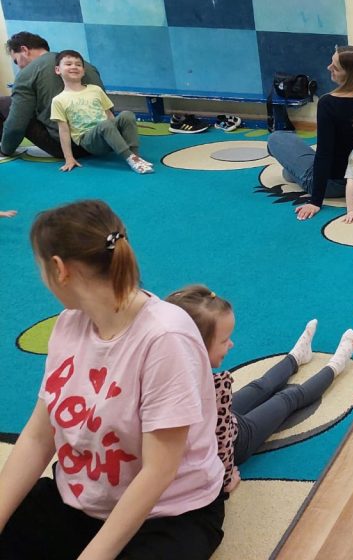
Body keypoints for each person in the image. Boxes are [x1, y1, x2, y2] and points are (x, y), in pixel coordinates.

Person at [0, 200, 225, 559]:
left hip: (167, 513)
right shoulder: (67, 325)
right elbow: (38, 437)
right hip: (82, 499)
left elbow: (158, 472)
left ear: (59, 269)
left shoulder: (166, 338)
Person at [165, 285, 353, 494]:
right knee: (287, 398)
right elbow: (221, 445)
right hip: (238, 440)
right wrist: (226, 480)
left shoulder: (179, 372)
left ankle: (296, 357)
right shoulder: (210, 389)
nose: (231, 344)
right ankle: (335, 366)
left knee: (260, 386)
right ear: (197, 346)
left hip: (225, 420)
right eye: (224, 341)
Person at [266, 45, 353, 222]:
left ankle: (294, 173)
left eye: (335, 67)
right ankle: (291, 172)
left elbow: (324, 154)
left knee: (277, 138)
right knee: (289, 171)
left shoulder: (328, 103)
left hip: (336, 184)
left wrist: (315, 201)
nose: (328, 67)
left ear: (350, 75)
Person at [0, 32, 104, 159]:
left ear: (24, 50)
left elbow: (16, 125)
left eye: (16, 61)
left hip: (68, 149)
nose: (19, 67)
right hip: (102, 142)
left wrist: (5, 150)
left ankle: (3, 147)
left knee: (6, 103)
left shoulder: (27, 73)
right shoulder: (87, 66)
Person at [50, 50, 153, 174]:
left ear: (83, 70)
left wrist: (116, 133)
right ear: (58, 70)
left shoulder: (95, 90)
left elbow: (109, 114)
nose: (74, 67)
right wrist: (69, 158)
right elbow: (64, 131)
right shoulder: (58, 100)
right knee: (105, 124)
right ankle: (131, 158)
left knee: (126, 114)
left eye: (78, 64)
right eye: (68, 64)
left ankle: (135, 156)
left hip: (106, 132)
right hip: (89, 141)